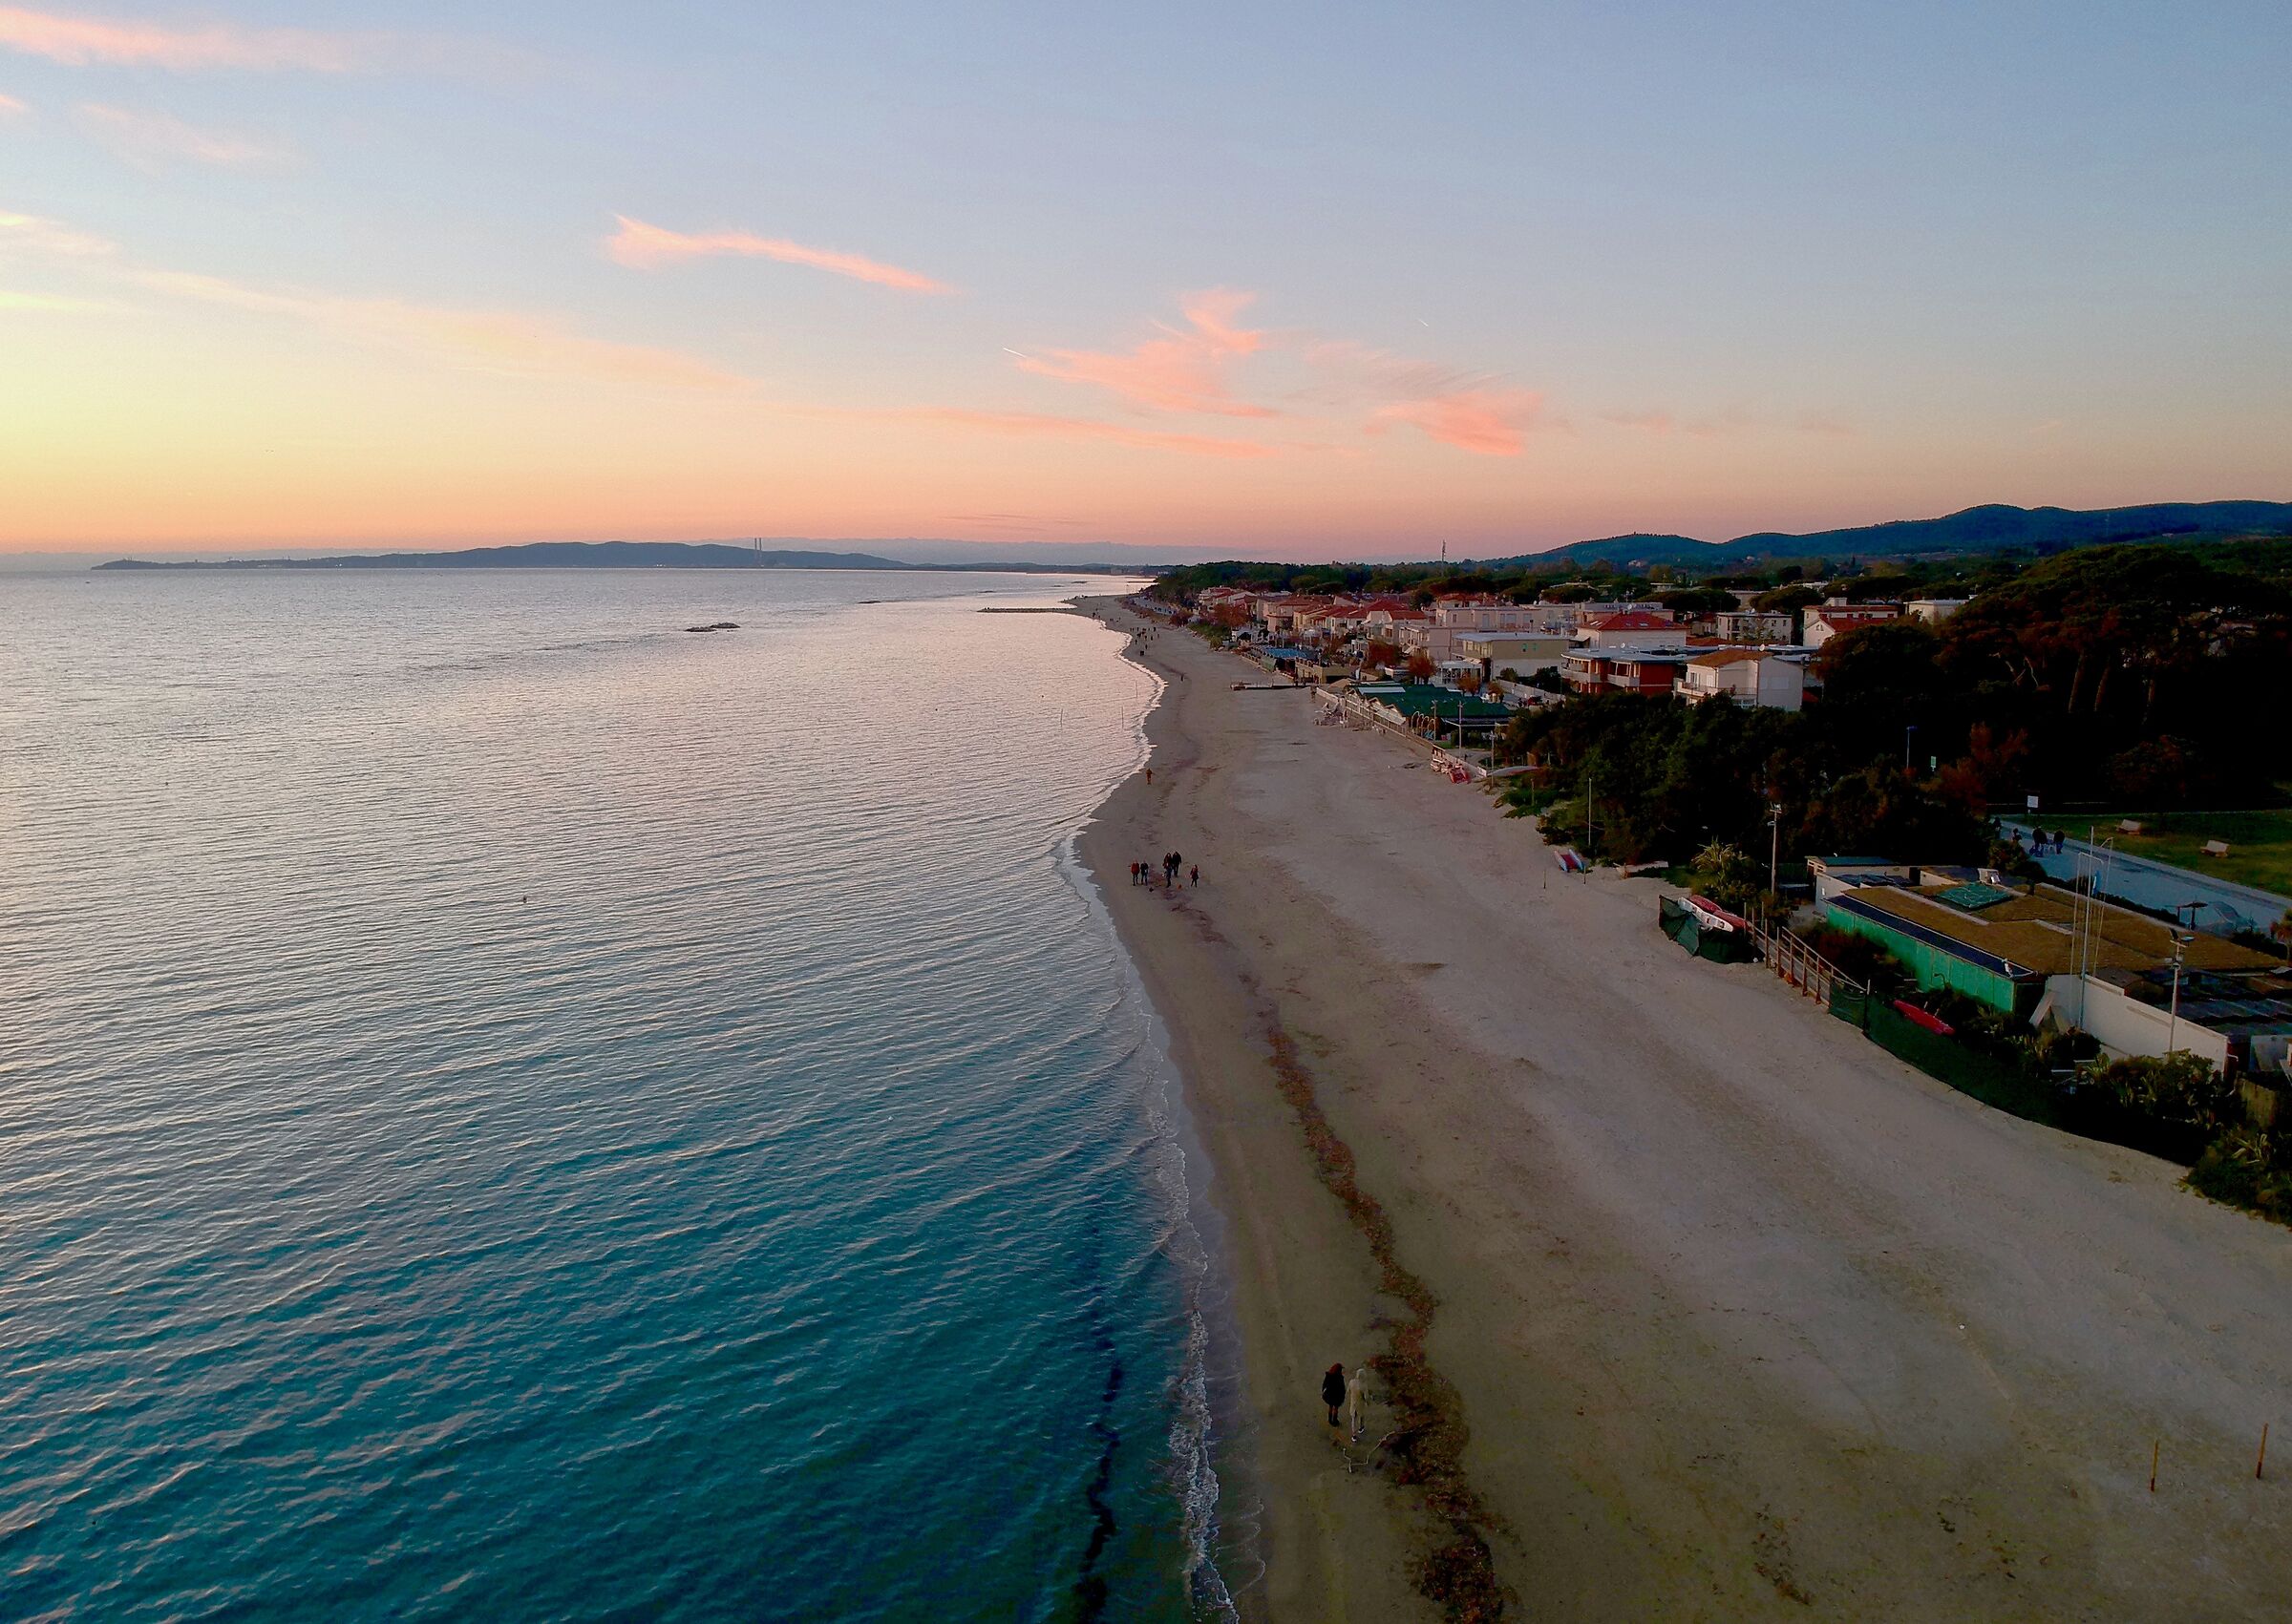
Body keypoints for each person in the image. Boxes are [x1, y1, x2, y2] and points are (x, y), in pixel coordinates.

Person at [1321, 1363, 1346, 1427]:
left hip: (1329, 1395)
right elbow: (1342, 1388)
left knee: (1330, 1406)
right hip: (1337, 1396)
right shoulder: (1340, 1378)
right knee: (1336, 1408)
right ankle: (1335, 1420)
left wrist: (1323, 1391)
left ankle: (1329, 1419)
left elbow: (1324, 1384)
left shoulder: (1329, 1376)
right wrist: (1343, 1395)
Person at [1346, 1366, 1367, 1438]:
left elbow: (1348, 1390)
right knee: (1361, 1416)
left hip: (1353, 1403)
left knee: (1353, 1419)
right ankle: (1361, 1427)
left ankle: (1354, 1435)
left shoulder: (1351, 1382)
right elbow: (1366, 1397)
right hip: (1360, 1404)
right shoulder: (1363, 1385)